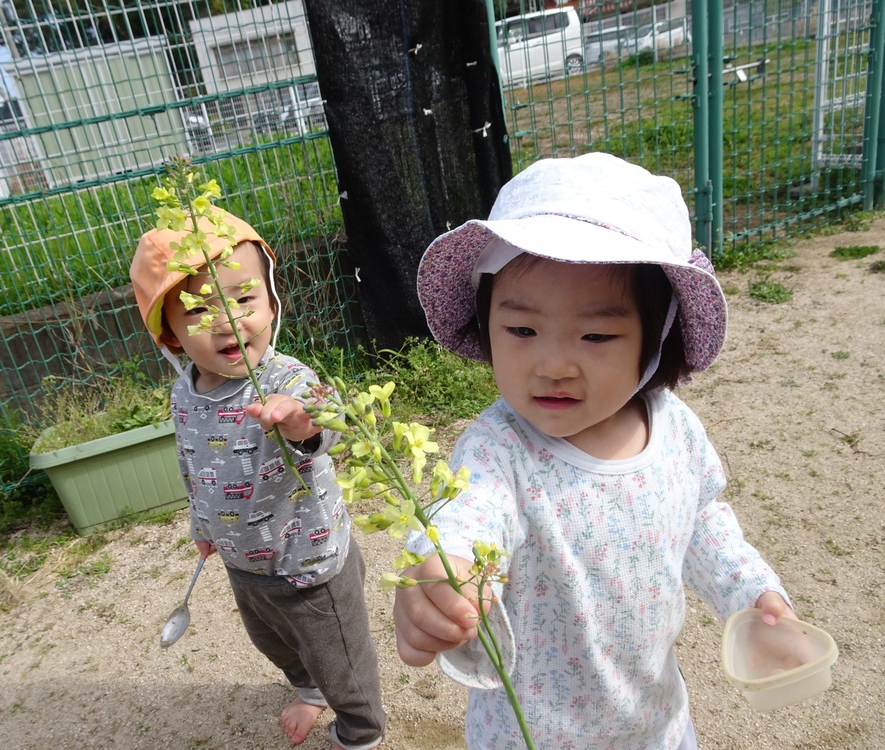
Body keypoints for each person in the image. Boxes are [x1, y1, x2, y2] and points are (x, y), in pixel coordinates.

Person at [393, 152, 795, 750]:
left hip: (656, 723)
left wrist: (754, 594)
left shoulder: (675, 431)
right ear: (486, 325)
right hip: (533, 735)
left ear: (655, 340)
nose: (553, 364)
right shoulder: (498, 451)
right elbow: (470, 516)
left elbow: (703, 521)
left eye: (598, 335)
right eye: (522, 330)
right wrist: (443, 575)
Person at [129, 211, 385, 750]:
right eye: (200, 309)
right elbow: (191, 463)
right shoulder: (185, 393)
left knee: (340, 657)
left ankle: (360, 730)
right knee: (271, 638)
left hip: (307, 561)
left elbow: (330, 424)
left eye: (244, 299)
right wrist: (201, 524)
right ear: (171, 338)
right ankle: (309, 690)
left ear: (271, 301)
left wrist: (300, 419)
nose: (227, 320)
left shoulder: (285, 378)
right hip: (244, 560)